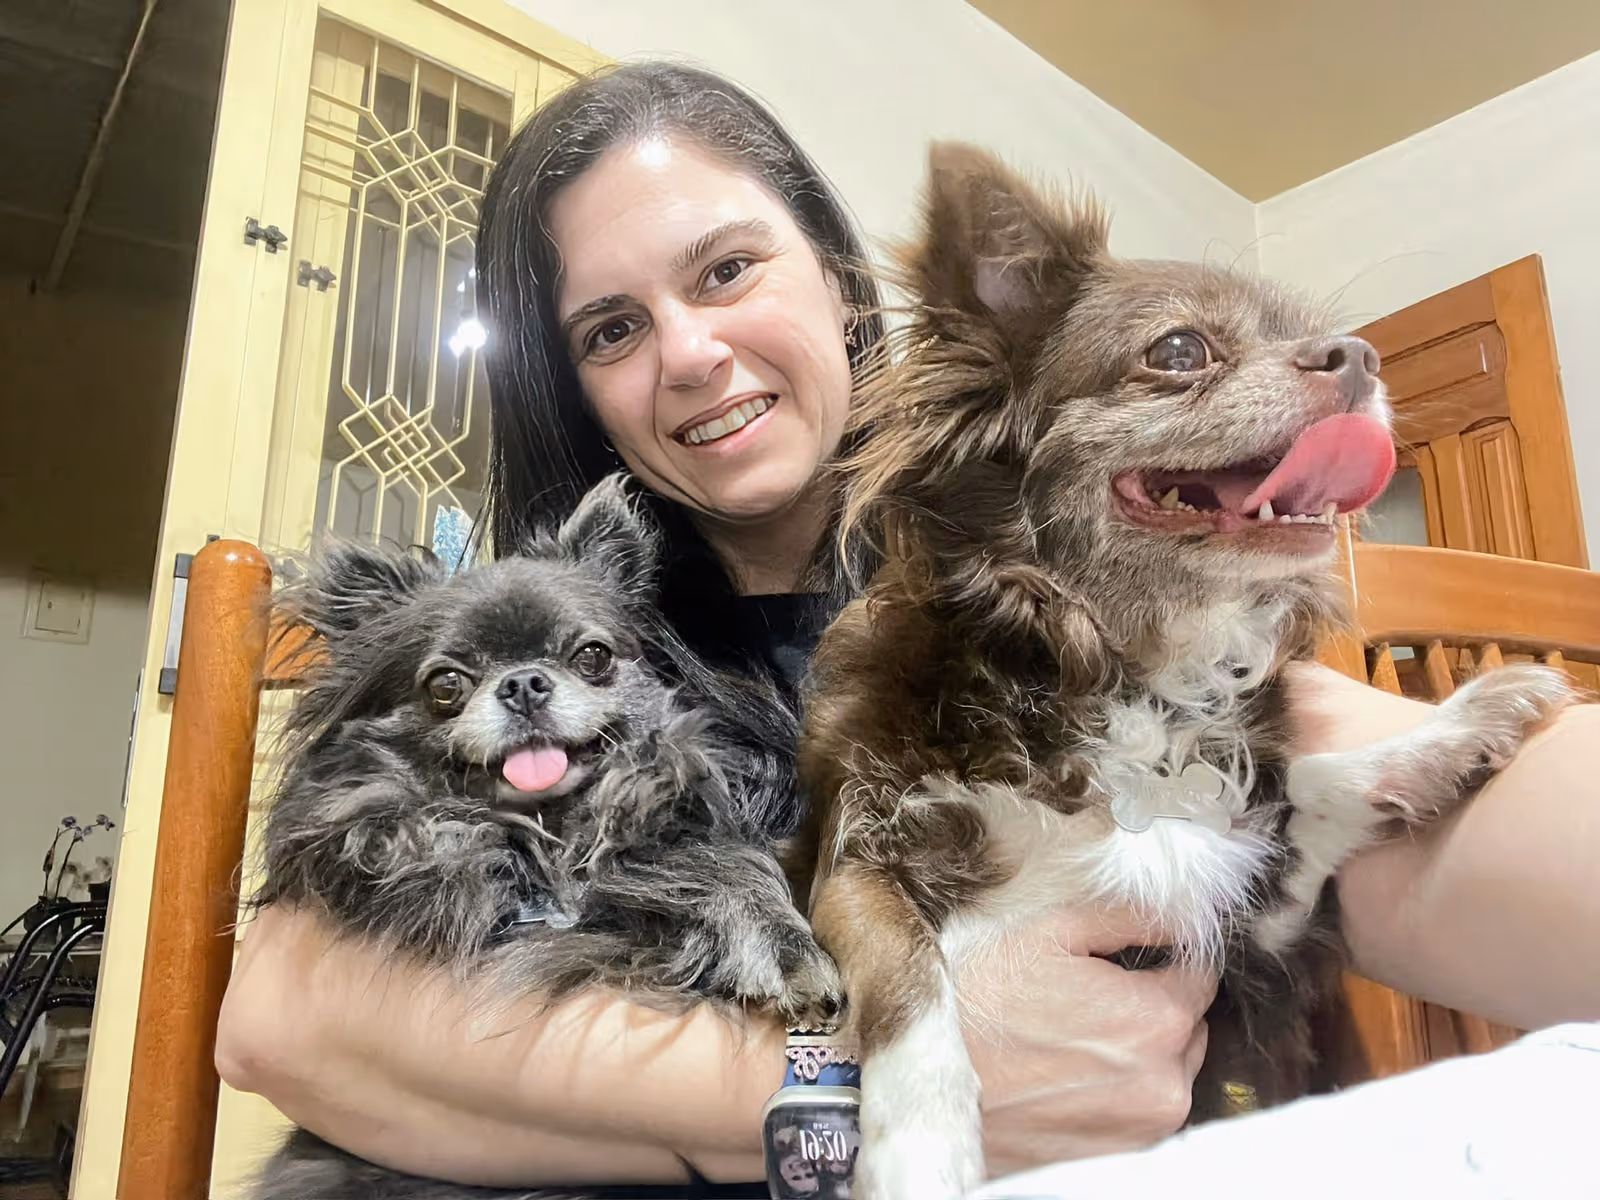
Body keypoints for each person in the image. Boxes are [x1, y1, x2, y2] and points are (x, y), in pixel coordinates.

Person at [216, 62, 1600, 1194]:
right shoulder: (563, 649)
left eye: (726, 269)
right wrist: (871, 1080)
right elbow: (283, 1018)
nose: (688, 352)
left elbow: (1382, 790)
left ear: (836, 278)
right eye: (612, 330)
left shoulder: (1055, 586)